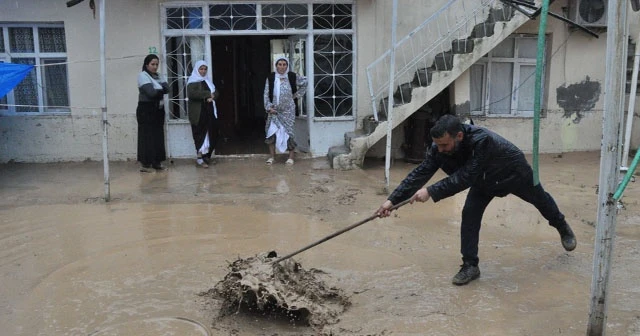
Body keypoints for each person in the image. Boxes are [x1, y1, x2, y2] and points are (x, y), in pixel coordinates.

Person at [376, 115, 577, 286]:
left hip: (513, 173)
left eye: (445, 144)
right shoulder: (439, 148)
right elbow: (420, 172)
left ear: (460, 136)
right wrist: (392, 201)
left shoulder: (482, 141)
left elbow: (465, 177)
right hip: (483, 182)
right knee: (469, 215)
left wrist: (430, 191)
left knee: (541, 200)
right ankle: (470, 266)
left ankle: (562, 226)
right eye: (438, 145)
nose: (442, 150)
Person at [263, 57, 307, 165]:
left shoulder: (292, 76)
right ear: (276, 65)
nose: (282, 67)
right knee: (271, 132)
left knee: (289, 133)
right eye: (280, 64)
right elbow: (266, 93)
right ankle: (272, 157)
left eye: (284, 64)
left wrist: (296, 95)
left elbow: (305, 83)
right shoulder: (271, 77)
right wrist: (268, 107)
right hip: (274, 110)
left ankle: (291, 157)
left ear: (287, 66)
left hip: (288, 110)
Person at [136, 54, 169, 172]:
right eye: (152, 64)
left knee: (158, 136)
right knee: (147, 136)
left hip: (158, 109)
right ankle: (145, 164)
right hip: (146, 110)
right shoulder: (143, 76)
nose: (155, 67)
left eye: (156, 64)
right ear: (146, 65)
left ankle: (157, 162)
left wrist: (158, 90)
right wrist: (160, 90)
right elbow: (151, 93)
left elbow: (167, 89)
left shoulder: (158, 75)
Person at [187, 60, 219, 168]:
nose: (203, 71)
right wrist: (207, 95)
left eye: (205, 69)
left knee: (210, 134)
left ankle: (206, 157)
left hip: (209, 111)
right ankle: (199, 158)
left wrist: (213, 96)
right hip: (199, 113)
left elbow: (216, 92)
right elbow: (192, 94)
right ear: (197, 69)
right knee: (200, 134)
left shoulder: (208, 81)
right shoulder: (192, 82)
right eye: (201, 69)